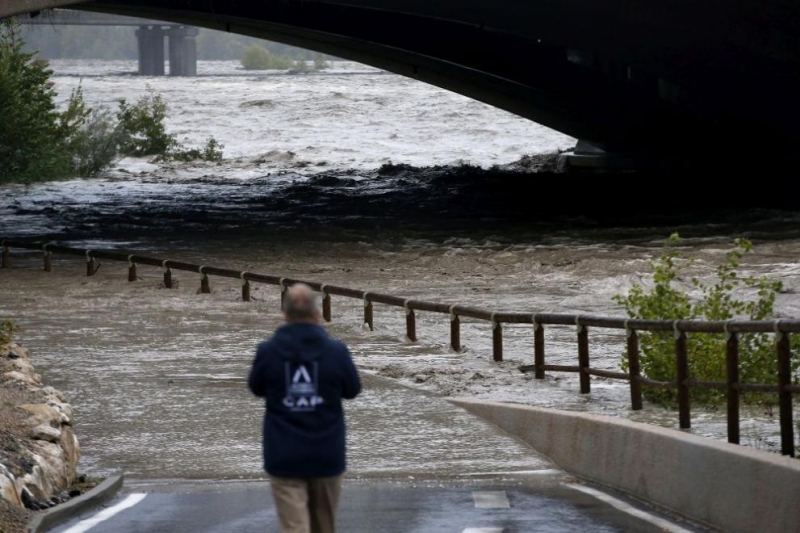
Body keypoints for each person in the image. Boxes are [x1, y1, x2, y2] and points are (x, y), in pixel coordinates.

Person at [248, 283, 362, 533]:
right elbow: (352, 390)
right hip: (326, 453)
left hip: (284, 454)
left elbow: (256, 388)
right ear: (317, 315)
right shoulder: (336, 352)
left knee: (294, 527)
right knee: (324, 525)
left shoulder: (268, 352)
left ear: (285, 314)